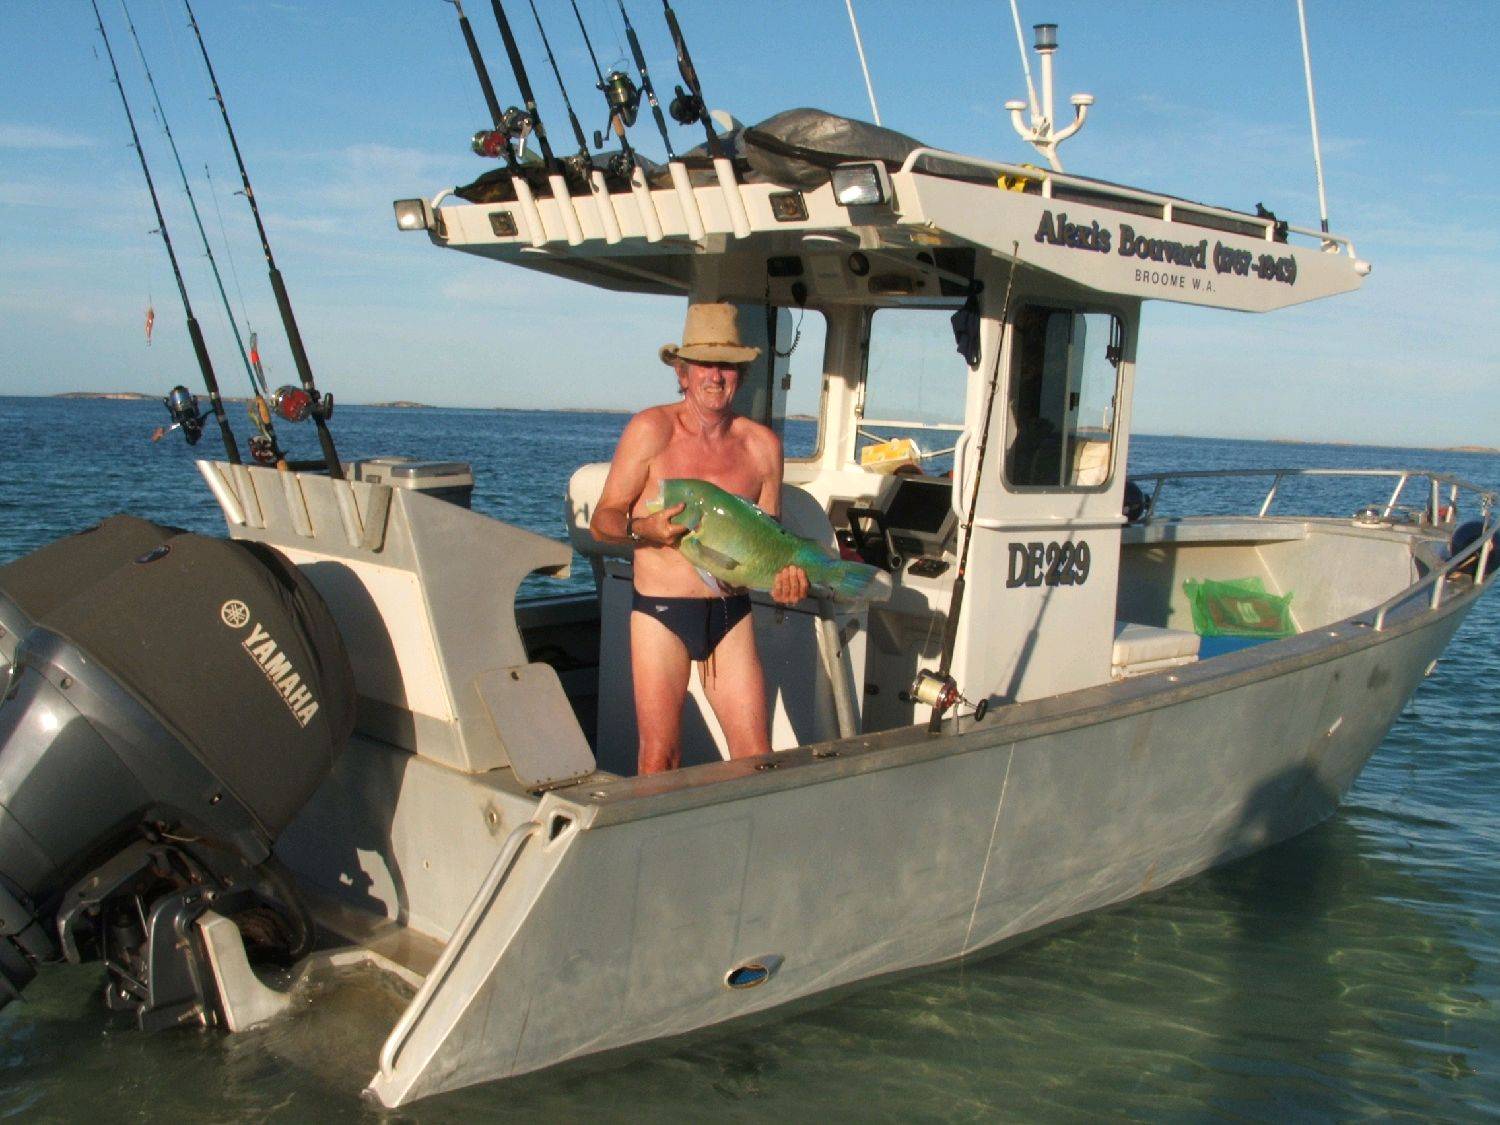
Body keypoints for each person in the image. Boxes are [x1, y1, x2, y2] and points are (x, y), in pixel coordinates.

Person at [590, 302, 810, 775]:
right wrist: (642, 530)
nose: (715, 375)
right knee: (660, 756)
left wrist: (787, 582)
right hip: (661, 613)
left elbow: (770, 543)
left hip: (731, 614)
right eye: (704, 364)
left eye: (727, 365)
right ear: (682, 372)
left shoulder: (763, 446)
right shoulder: (651, 429)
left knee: (755, 756)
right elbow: (602, 520)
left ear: (741, 375)